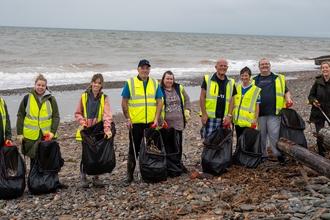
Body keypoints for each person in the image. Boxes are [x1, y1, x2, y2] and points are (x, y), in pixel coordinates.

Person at [16, 74, 66, 187]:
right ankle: (34, 183)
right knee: (34, 160)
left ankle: (53, 182)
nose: (40, 87)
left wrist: (52, 131)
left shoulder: (51, 99)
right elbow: (20, 115)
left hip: (46, 135)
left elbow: (56, 116)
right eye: (38, 85)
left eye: (43, 85)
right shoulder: (27, 98)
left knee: (50, 159)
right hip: (31, 136)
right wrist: (20, 133)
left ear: (46, 86)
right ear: (34, 85)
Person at [121, 59, 163, 185]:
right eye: (142, 68)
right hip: (136, 123)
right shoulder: (130, 83)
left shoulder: (155, 83)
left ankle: (149, 170)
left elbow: (159, 101)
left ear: (149, 70)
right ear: (138, 69)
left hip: (150, 122)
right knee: (133, 149)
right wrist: (127, 118)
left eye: (147, 68)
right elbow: (124, 102)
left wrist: (156, 118)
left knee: (150, 147)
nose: (145, 70)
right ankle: (129, 174)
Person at [75, 73, 113, 188]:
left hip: (98, 130)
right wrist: (83, 122)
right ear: (91, 83)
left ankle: (96, 177)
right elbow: (78, 113)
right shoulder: (84, 96)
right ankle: (83, 176)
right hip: (86, 130)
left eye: (99, 83)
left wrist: (107, 129)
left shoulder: (104, 98)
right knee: (86, 153)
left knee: (97, 152)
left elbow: (107, 115)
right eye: (95, 82)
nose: (96, 85)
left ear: (102, 85)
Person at [251, 58, 292, 165]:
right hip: (259, 114)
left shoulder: (278, 78)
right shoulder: (254, 79)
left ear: (270, 65)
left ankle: (279, 155)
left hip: (274, 113)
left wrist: (289, 99)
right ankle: (262, 155)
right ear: (259, 67)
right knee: (261, 136)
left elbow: (286, 91)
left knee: (274, 136)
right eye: (262, 64)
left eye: (266, 64)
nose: (264, 66)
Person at [160, 70, 191, 170]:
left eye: (171, 79)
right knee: (168, 145)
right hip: (166, 124)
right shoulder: (159, 90)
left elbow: (187, 99)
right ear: (163, 79)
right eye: (167, 79)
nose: (169, 81)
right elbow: (157, 107)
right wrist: (161, 121)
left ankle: (178, 164)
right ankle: (169, 166)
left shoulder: (179, 88)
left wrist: (187, 111)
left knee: (178, 144)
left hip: (179, 122)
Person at [199, 59, 236, 139]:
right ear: (216, 67)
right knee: (209, 141)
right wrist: (204, 114)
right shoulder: (208, 79)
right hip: (211, 118)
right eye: (221, 66)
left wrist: (229, 115)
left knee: (223, 142)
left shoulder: (230, 82)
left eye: (225, 66)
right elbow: (202, 97)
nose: (223, 68)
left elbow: (232, 100)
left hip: (224, 118)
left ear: (227, 68)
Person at [230, 66, 261, 143]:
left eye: (246, 75)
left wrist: (256, 119)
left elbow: (257, 106)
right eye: (242, 75)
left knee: (247, 142)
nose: (244, 77)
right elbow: (233, 103)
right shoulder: (237, 88)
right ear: (240, 76)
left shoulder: (256, 90)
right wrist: (230, 115)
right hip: (238, 121)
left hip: (249, 122)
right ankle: (238, 155)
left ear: (250, 76)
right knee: (239, 140)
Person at [308, 61, 330, 157]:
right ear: (321, 70)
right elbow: (311, 95)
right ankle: (321, 154)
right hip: (319, 111)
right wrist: (314, 101)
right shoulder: (318, 82)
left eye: (326, 67)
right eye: (323, 68)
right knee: (319, 135)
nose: (325, 69)